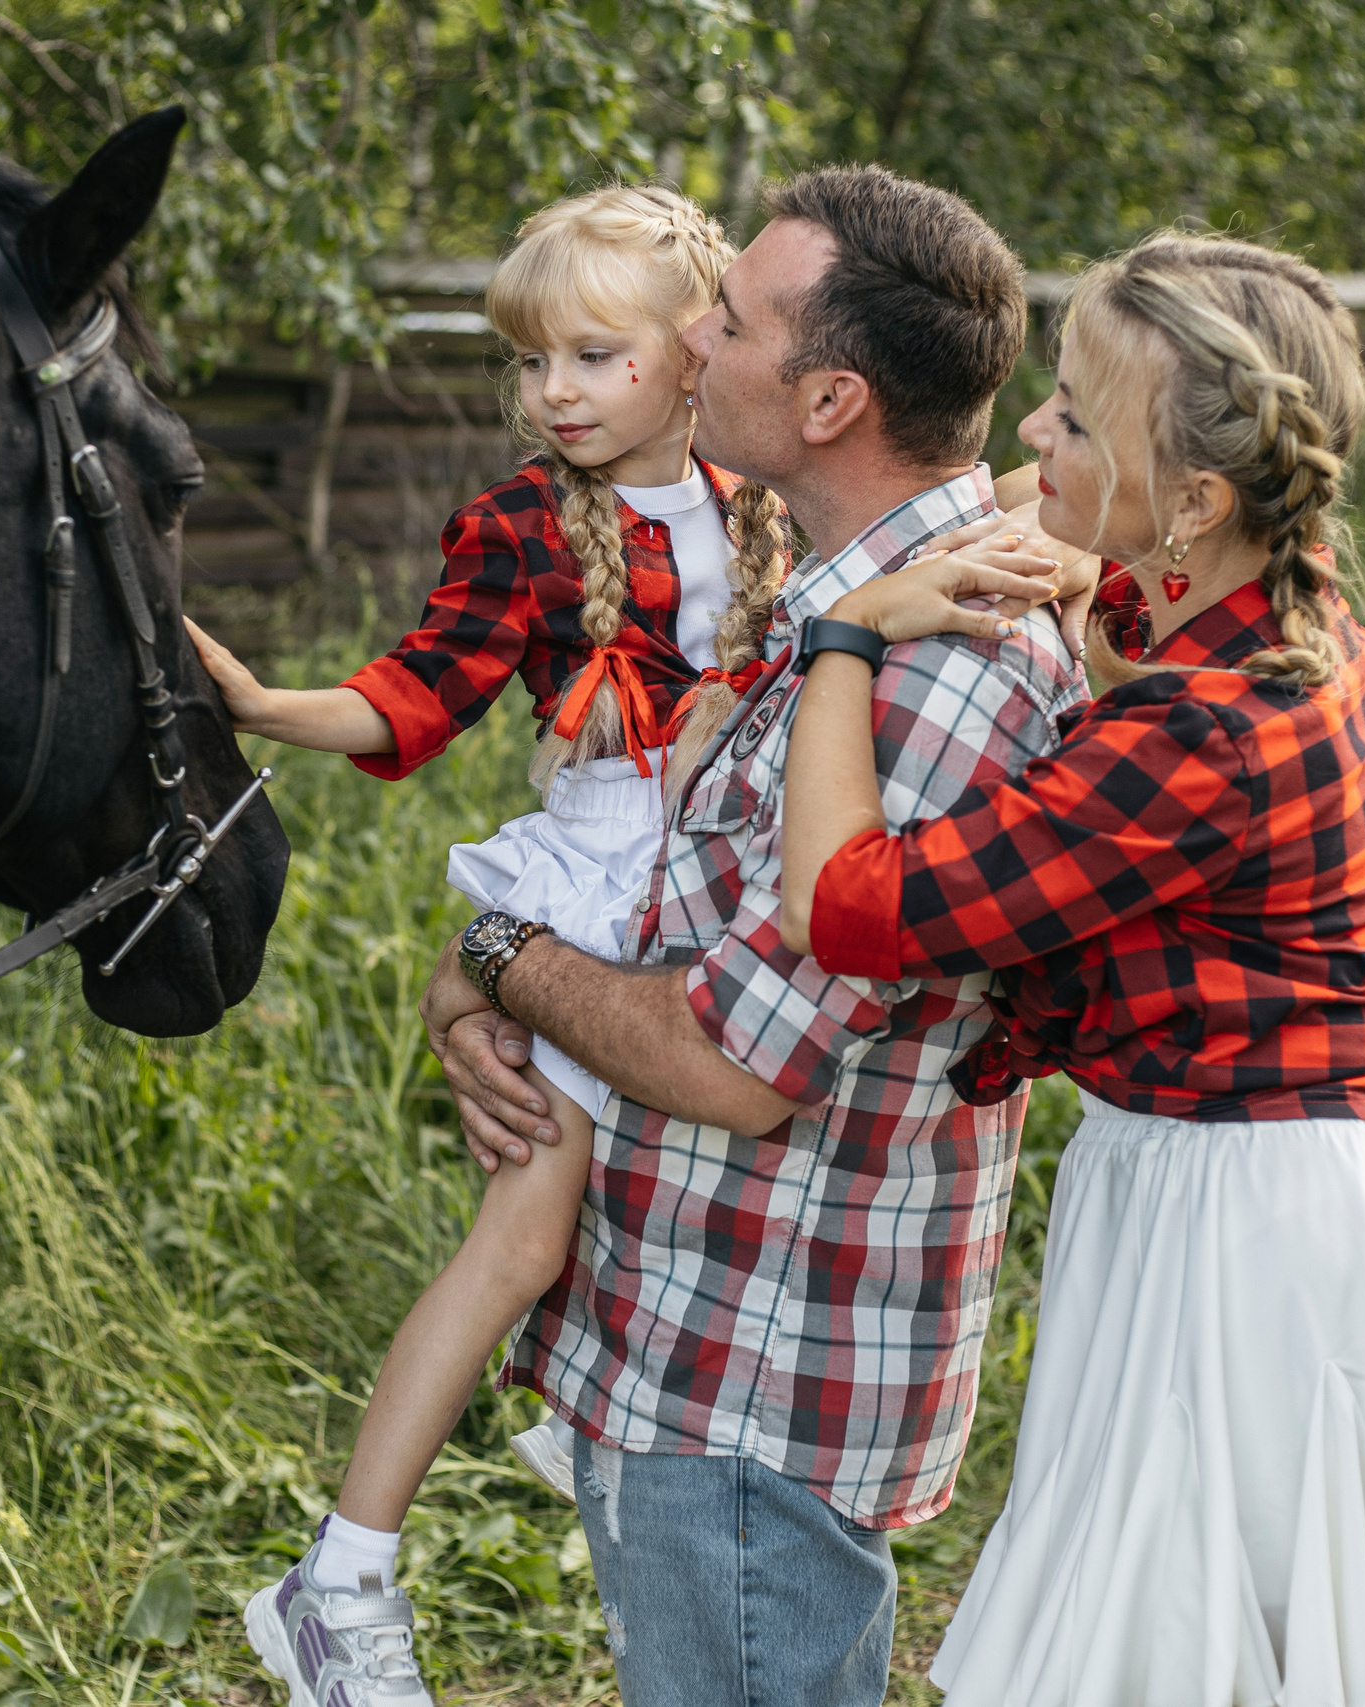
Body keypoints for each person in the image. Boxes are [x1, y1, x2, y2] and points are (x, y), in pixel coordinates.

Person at [774, 232, 1365, 1705]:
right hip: (1270, 1189)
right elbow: (1111, 578)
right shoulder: (1301, 620)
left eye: (1076, 415)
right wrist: (1066, 525)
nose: (1032, 430)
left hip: (1244, 1233)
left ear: (1198, 499)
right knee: (1208, 1652)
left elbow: (848, 905)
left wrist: (843, 635)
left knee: (1181, 1652)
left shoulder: (1195, 742)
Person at [420, 165, 1086, 1707]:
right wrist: (487, 995)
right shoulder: (843, 609)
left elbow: (737, 1064)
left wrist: (499, 956)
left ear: (833, 398)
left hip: (753, 1389)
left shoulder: (934, 677)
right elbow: (679, 919)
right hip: (696, 1345)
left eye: (726, 320)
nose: (692, 341)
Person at [192, 184, 796, 1707]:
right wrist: (269, 707)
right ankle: (340, 1576)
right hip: (596, 890)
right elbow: (413, 695)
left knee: (668, 1200)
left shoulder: (767, 495)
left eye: (593, 358)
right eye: (532, 365)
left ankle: (592, 1419)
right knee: (526, 1234)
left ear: (692, 352)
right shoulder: (527, 525)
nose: (554, 394)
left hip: (725, 880)